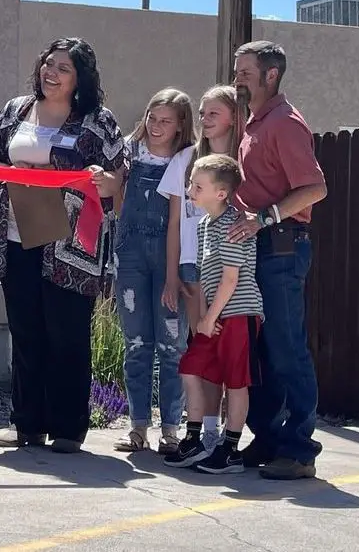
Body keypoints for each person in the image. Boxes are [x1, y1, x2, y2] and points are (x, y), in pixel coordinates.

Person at [0, 37, 124, 455]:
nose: (51, 72)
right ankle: (27, 424)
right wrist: (13, 170)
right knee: (25, 331)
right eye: (48, 64)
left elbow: (117, 177)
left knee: (67, 334)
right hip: (15, 235)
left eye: (63, 67)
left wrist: (99, 178)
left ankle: (67, 428)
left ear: (79, 79)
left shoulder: (96, 119)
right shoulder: (15, 110)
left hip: (70, 245)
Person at [228, 40, 327, 480]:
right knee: (264, 351)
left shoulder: (284, 122)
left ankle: (299, 449)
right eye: (236, 69)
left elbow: (315, 189)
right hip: (258, 247)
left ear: (271, 74)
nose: (237, 77)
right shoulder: (253, 123)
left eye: (245, 71)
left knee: (286, 349)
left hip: (282, 246)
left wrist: (264, 218)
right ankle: (269, 439)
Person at [164, 153, 263, 474]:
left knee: (236, 383)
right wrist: (205, 316)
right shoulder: (206, 224)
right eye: (191, 183)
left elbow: (231, 278)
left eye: (198, 185)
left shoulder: (233, 225)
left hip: (239, 314)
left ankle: (230, 449)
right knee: (191, 367)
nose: (191, 189)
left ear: (220, 193)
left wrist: (209, 317)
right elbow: (208, 275)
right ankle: (194, 439)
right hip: (216, 316)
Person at [158, 85, 243, 452]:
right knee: (203, 348)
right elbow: (176, 221)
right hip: (194, 265)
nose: (205, 121)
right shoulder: (187, 159)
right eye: (203, 113)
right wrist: (173, 272)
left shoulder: (243, 159)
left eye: (214, 114)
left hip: (232, 268)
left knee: (231, 353)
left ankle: (228, 434)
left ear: (234, 118)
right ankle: (206, 431)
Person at [111, 88, 195, 455]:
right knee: (136, 343)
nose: (156, 126)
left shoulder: (186, 161)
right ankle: (138, 426)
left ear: (180, 126)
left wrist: (176, 273)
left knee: (172, 344)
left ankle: (171, 429)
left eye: (166, 121)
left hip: (169, 259)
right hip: (130, 256)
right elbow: (116, 198)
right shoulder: (129, 152)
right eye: (152, 118)